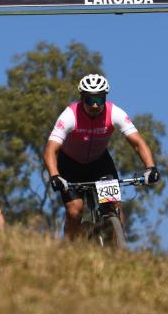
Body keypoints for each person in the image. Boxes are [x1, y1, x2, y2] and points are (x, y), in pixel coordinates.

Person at [44, 74, 160, 240]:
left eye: (99, 99)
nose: (95, 105)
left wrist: (151, 167)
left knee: (113, 205)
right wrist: (55, 175)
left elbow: (137, 142)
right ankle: (68, 249)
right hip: (70, 165)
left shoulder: (115, 113)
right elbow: (51, 149)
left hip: (99, 164)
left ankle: (118, 249)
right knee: (75, 211)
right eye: (90, 100)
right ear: (82, 98)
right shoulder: (70, 115)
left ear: (105, 98)